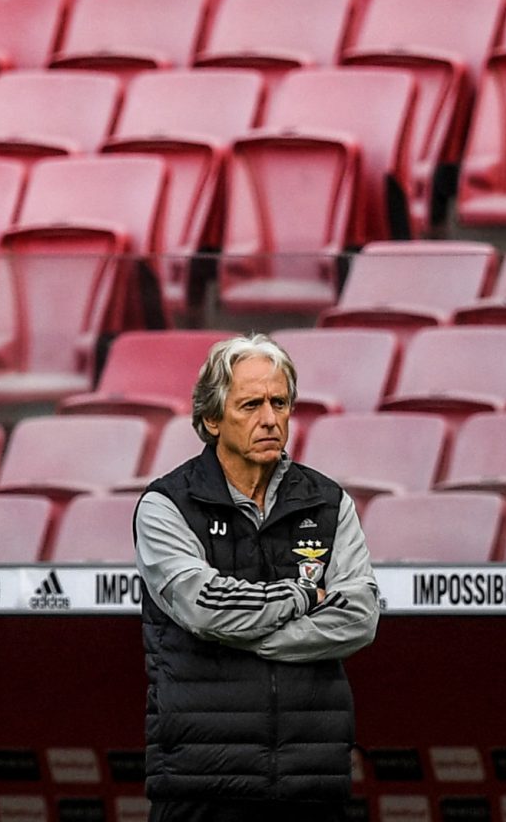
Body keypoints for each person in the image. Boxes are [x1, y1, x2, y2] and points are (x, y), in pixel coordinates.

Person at [133, 334, 381, 822]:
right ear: (211, 419)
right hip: (202, 784)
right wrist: (305, 594)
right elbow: (206, 608)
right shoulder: (166, 507)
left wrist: (240, 635)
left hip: (312, 783)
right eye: (250, 405)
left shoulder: (329, 503)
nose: (270, 419)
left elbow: (359, 618)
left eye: (280, 402)